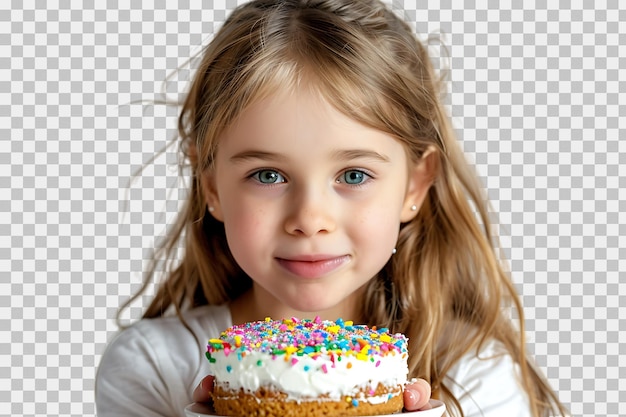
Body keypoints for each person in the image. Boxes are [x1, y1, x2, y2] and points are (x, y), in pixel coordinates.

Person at [95, 0, 568, 416]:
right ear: (212, 186)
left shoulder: (471, 372)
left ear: (415, 184)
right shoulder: (153, 368)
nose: (310, 220)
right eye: (268, 175)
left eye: (354, 176)